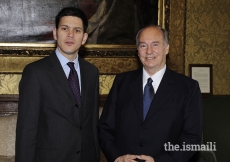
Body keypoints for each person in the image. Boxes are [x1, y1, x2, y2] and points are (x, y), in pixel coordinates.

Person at [98, 25, 202, 162]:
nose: (149, 51)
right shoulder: (121, 82)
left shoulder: (188, 88)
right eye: (143, 45)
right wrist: (117, 157)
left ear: (167, 48)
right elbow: (105, 128)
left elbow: (192, 138)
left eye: (155, 44)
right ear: (137, 50)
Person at [15, 7, 100, 162]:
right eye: (64, 28)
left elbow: (92, 125)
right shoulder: (35, 73)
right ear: (55, 33)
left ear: (84, 38)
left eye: (77, 30)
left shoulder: (92, 73)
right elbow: (26, 132)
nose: (70, 35)